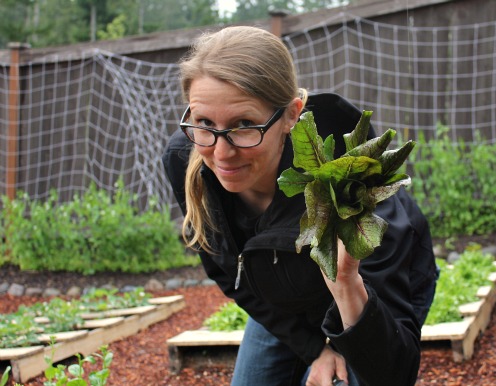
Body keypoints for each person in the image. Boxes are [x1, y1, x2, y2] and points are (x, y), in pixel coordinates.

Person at [162, 25, 437, 386]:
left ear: (292, 115)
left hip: (366, 291)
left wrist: (346, 287)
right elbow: (230, 273)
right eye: (204, 123)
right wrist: (315, 350)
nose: (221, 152)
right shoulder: (187, 163)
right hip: (287, 297)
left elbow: (394, 373)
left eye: (245, 125)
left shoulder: (349, 176)